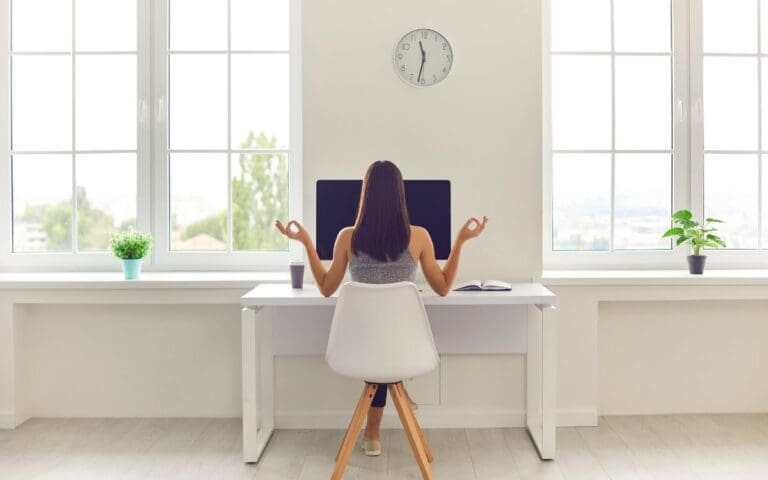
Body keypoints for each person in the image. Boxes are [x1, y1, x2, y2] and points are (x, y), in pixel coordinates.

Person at [275, 160, 488, 457]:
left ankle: (372, 433)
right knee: (387, 351)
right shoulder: (420, 237)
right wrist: (461, 242)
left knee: (378, 347)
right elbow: (442, 287)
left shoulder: (347, 237)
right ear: (400, 195)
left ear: (365, 194)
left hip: (359, 346)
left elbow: (325, 288)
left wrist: (307, 242)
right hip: (403, 347)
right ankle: (390, 400)